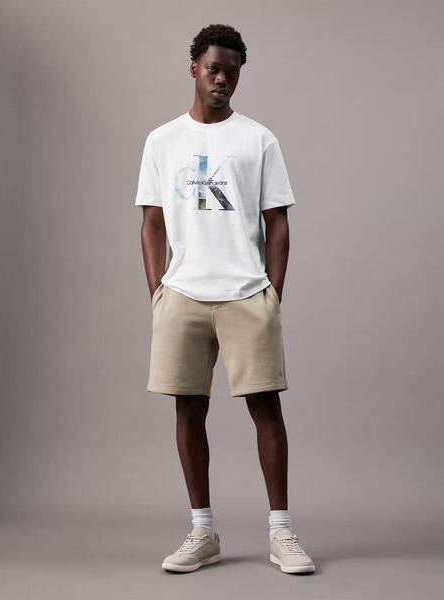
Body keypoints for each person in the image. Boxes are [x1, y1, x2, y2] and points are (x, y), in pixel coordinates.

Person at [135, 24, 315, 575]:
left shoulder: (258, 140)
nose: (222, 80)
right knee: (188, 408)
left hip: (245, 294)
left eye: (232, 73)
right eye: (213, 69)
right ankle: (202, 531)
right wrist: (158, 291)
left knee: (266, 408)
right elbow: (151, 221)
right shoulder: (162, 140)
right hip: (183, 294)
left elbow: (277, 221)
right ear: (194, 68)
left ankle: (281, 533)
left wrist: (271, 292)